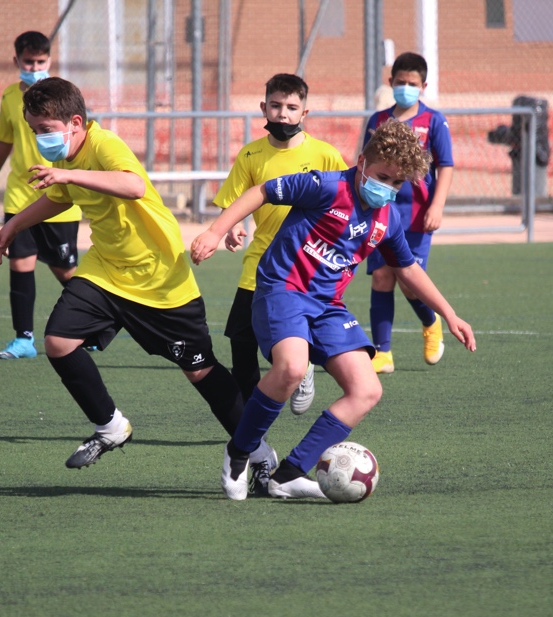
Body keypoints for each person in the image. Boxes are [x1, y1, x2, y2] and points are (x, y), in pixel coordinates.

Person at [0, 77, 273, 477]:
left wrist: (69, 177)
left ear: (75, 122)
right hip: (107, 269)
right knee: (58, 341)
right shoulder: (66, 157)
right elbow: (58, 197)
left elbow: (133, 185)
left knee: (199, 369)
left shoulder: (104, 144)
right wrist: (14, 225)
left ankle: (259, 454)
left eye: (46, 130)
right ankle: (110, 426)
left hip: (158, 275)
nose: (40, 139)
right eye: (35, 131)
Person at [190, 121, 476, 500]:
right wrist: (214, 231)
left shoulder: (387, 220)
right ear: (362, 162)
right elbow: (261, 191)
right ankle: (239, 452)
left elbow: (408, 269)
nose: (387, 188)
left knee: (367, 390)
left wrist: (449, 314)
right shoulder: (326, 187)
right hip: (283, 290)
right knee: (292, 368)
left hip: (328, 306)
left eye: (396, 183)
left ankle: (289, 474)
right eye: (382, 177)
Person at [213, 73, 347, 418]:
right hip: (260, 261)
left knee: (284, 341)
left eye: (291, 107)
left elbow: (345, 200)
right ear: (264, 108)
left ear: (305, 113)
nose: (283, 114)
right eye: (275, 106)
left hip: (304, 266)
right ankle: (248, 422)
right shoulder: (251, 154)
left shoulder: (325, 155)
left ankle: (302, 365)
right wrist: (232, 227)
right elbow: (234, 202)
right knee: (241, 343)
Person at [0, 31, 83, 360]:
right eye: (29, 61)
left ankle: (98, 322)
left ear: (50, 60)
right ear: (17, 61)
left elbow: (81, 140)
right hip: (20, 196)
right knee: (20, 263)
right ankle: (23, 339)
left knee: (65, 271)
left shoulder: (63, 96)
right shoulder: (9, 96)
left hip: (59, 199)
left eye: (41, 61)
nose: (35, 67)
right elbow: (4, 141)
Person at [361, 52, 455, 374]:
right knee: (382, 277)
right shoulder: (377, 121)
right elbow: (365, 162)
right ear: (391, 83)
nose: (406, 88)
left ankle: (431, 322)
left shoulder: (434, 121)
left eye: (412, 84)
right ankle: (382, 353)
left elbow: (446, 165)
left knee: (408, 282)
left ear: (423, 86)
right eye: (400, 82)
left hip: (416, 216)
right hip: (382, 210)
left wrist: (437, 206)